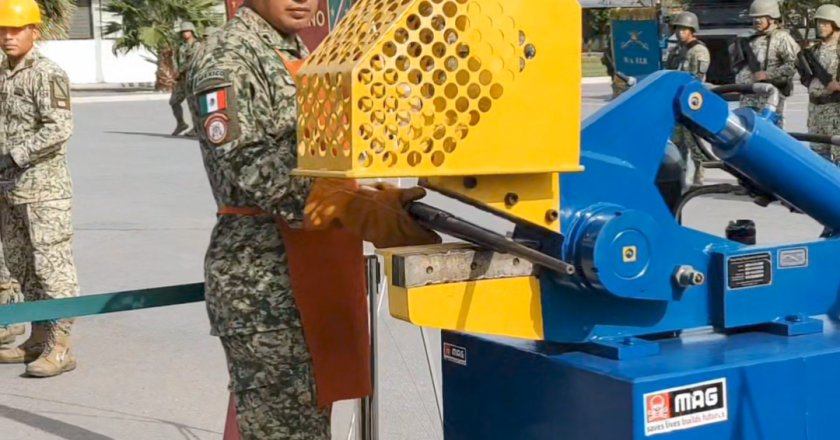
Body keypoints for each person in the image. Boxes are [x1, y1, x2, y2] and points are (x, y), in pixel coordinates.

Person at [186, 0, 441, 438]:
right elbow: (247, 161)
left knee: (307, 422)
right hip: (266, 279)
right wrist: (348, 206)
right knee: (285, 430)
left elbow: (320, 154)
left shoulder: (296, 50)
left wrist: (364, 195)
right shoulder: (228, 54)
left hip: (313, 263)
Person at [0, 0, 81, 377]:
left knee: (52, 268)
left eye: (16, 30)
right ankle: (37, 338)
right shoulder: (4, 72)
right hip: (10, 190)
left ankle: (61, 347)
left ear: (35, 31)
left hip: (44, 190)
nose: (7, 36)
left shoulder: (46, 73)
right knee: (23, 267)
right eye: (2, 30)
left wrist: (14, 154)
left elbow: (59, 127)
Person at [734, 0, 799, 129]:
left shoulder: (782, 38)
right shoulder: (749, 40)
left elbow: (794, 63)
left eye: (761, 17)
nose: (757, 21)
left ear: (772, 18)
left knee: (771, 135)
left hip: (770, 99)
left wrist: (768, 75)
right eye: (755, 17)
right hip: (748, 97)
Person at [665, 11, 711, 186]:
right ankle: (679, 178)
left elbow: (697, 79)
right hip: (675, 104)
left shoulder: (699, 51)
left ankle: (698, 179)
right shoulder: (676, 50)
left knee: (694, 145)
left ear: (692, 30)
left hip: (691, 105)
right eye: (678, 29)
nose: (680, 32)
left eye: (684, 29)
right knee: (677, 144)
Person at [799, 4, 840, 165]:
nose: (820, 27)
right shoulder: (813, 51)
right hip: (816, 110)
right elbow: (805, 76)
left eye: (825, 23)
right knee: (818, 157)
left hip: (836, 111)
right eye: (818, 23)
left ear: (835, 24)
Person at [170, 21, 199, 137]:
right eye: (183, 32)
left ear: (192, 32)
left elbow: (193, 60)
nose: (185, 34)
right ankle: (181, 123)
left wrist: (182, 70)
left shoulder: (197, 45)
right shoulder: (181, 46)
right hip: (182, 80)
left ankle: (197, 128)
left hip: (193, 78)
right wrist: (176, 72)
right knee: (173, 101)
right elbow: (175, 59)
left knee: (193, 105)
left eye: (187, 31)